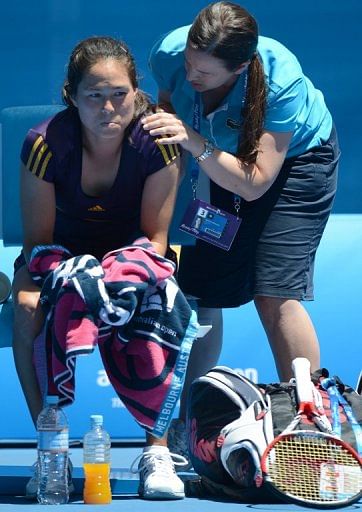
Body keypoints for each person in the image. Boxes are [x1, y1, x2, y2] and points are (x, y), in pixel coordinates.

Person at [144, 1, 340, 465]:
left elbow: (254, 183)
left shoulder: (280, 81)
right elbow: (170, 119)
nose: (192, 75)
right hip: (214, 165)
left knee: (275, 292)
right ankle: (185, 422)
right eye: (190, 63)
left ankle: (307, 424)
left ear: (241, 68)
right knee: (198, 293)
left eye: (205, 73)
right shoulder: (169, 54)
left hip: (294, 168)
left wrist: (196, 143)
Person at [12, 36, 188, 500]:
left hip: (134, 257)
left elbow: (155, 241)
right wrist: (77, 279)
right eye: (94, 96)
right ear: (71, 96)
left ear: (136, 92)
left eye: (120, 94)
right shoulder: (44, 145)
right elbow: (38, 245)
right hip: (59, 255)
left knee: (163, 300)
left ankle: (158, 452)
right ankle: (52, 450)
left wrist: (110, 280)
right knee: (27, 307)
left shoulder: (160, 144)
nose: (108, 107)